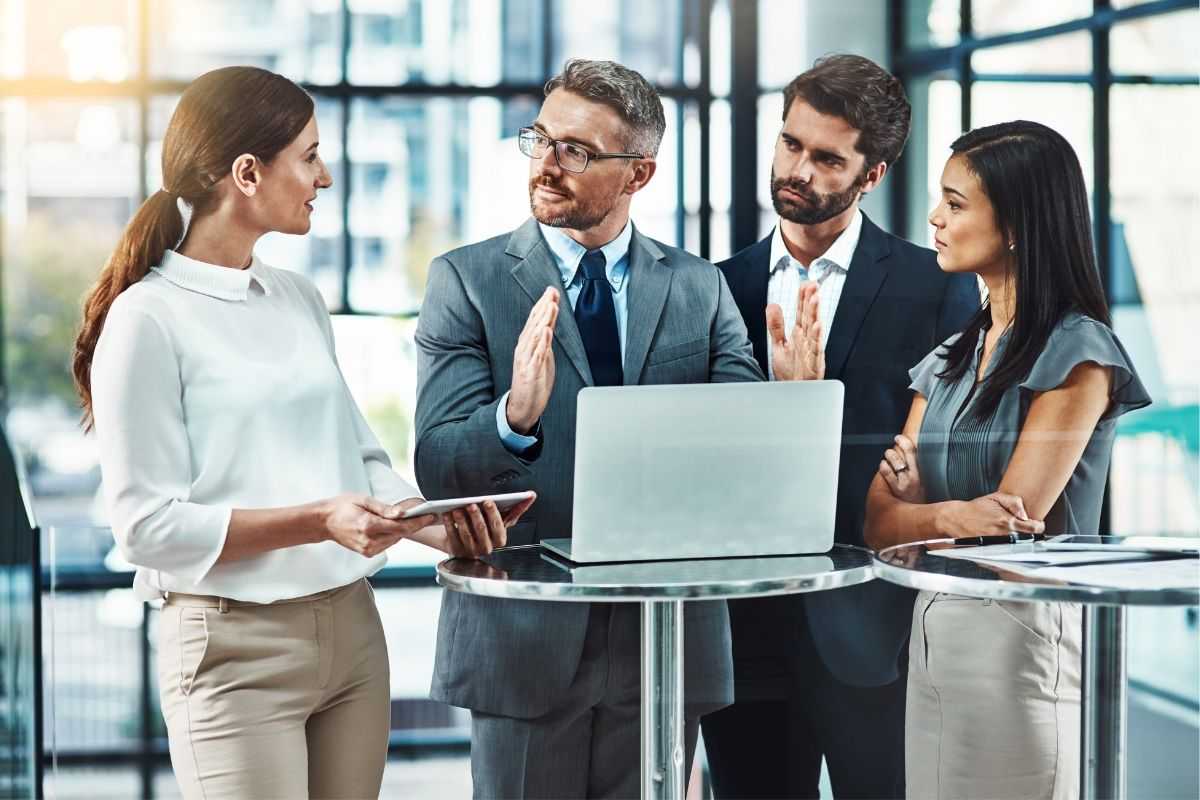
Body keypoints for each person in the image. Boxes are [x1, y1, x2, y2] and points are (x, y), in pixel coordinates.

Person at [76, 66, 532, 799]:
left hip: (352, 634)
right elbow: (146, 528)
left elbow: (358, 457)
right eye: (310, 156)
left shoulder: (296, 297)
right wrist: (319, 521)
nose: (324, 176)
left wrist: (432, 526)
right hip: (233, 650)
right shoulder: (146, 320)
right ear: (247, 173)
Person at [413, 58, 764, 798]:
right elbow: (440, 466)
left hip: (664, 636)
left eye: (576, 150)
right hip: (527, 636)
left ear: (638, 174)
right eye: (540, 139)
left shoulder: (698, 286)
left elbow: (745, 452)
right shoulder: (465, 282)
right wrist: (515, 416)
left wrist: (783, 397)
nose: (548, 163)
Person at [701, 54, 980, 800]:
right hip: (743, 625)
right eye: (790, 144)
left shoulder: (938, 291)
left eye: (827, 158)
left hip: (874, 628)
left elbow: (931, 467)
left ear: (873, 174)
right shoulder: (711, 288)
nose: (798, 169)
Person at [864, 120, 1151, 800]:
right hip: (936, 628)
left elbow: (1012, 527)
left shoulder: (1079, 353)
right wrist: (953, 514)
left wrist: (926, 513)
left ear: (1018, 225)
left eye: (956, 203)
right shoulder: (951, 356)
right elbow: (878, 520)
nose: (934, 217)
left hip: (1021, 644)